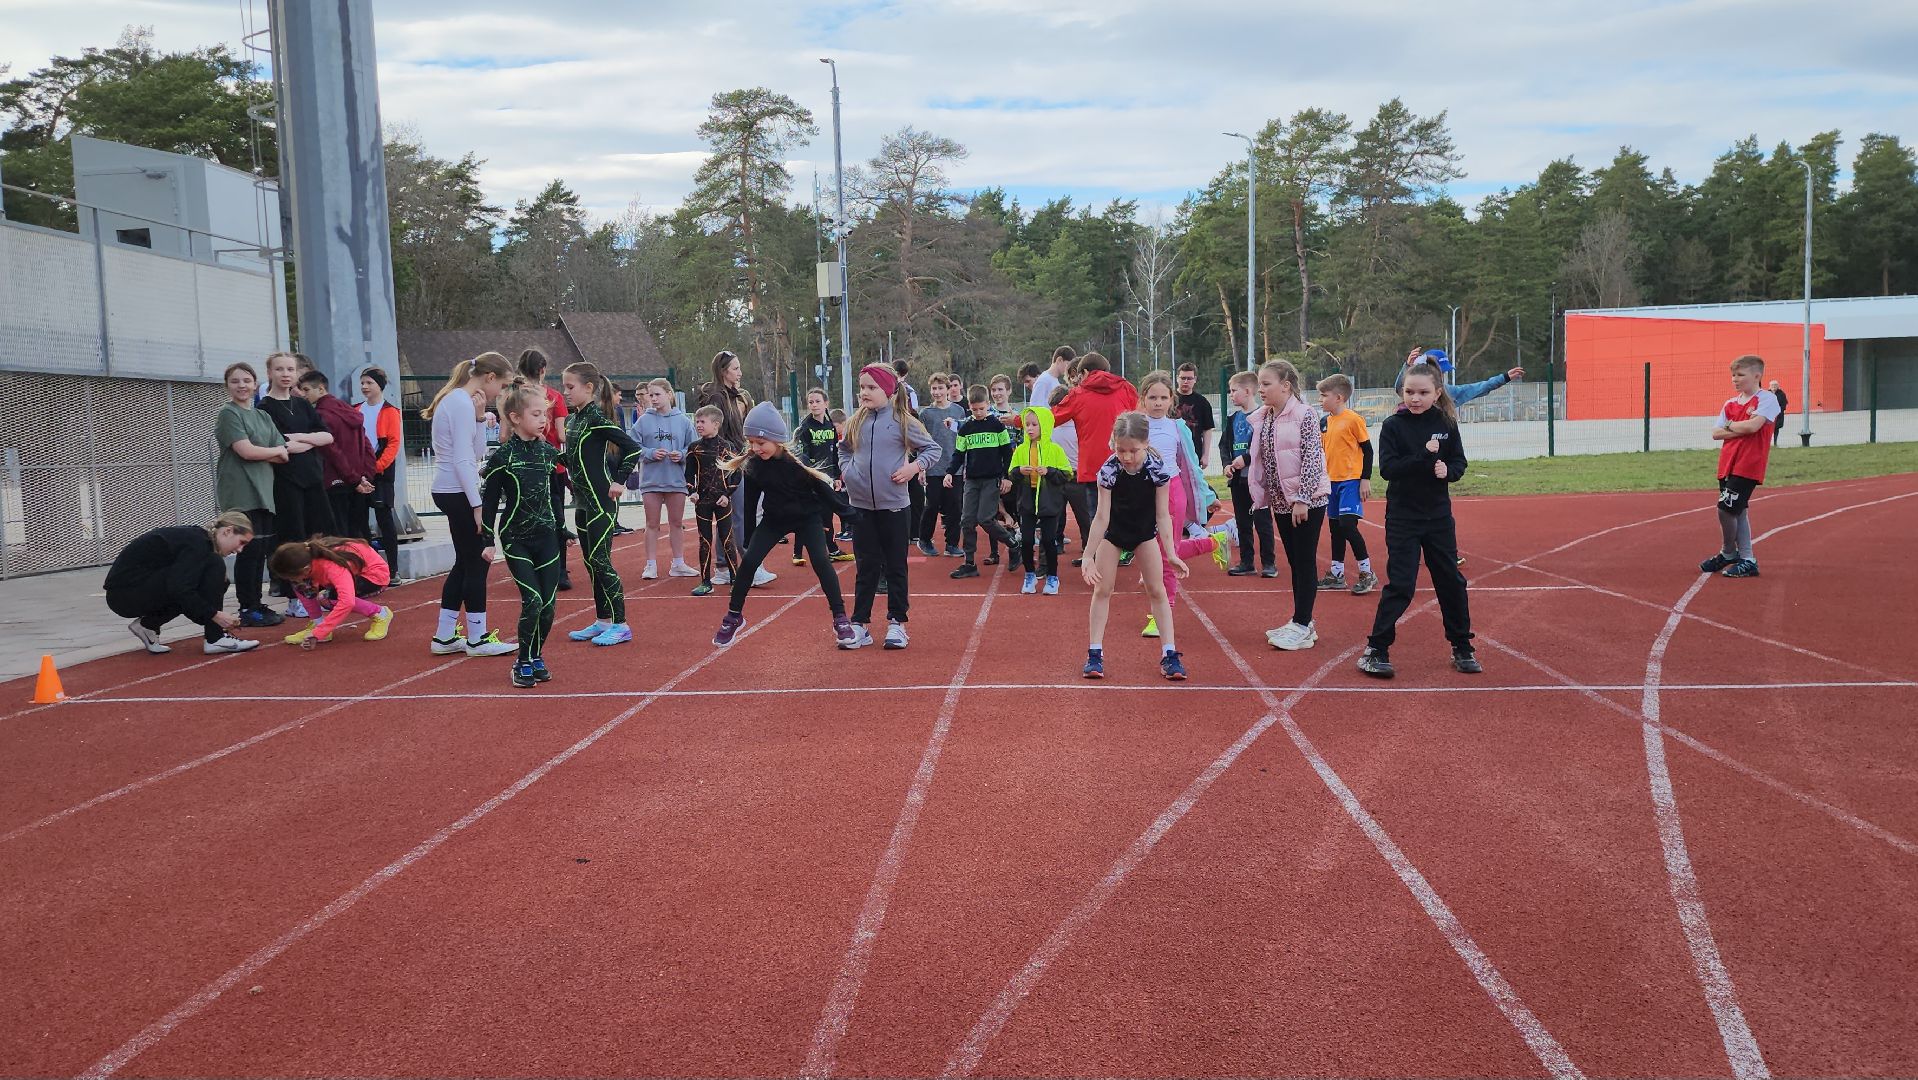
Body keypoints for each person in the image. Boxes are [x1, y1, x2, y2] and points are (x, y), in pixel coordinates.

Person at [1358, 364, 1477, 678]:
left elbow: (1458, 461)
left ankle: (1462, 646)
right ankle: (1376, 649)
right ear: (1402, 392)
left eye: (1423, 392)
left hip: (1438, 517)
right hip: (1403, 518)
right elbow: (1389, 469)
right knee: (1401, 584)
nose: (1415, 398)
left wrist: (1448, 472)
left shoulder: (1446, 423)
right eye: (1410, 392)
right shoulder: (1394, 426)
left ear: (1437, 393)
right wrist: (1424, 457)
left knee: (1451, 581)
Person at [711, 402, 855, 649]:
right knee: (748, 564)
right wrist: (747, 539)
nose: (755, 448)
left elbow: (824, 491)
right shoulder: (754, 465)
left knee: (822, 563)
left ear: (776, 440)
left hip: (807, 517)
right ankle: (733, 616)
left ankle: (840, 617)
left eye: (760, 443)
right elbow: (750, 502)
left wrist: (850, 514)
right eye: (751, 443)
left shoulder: (797, 463)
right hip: (774, 519)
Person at [838, 363, 940, 649]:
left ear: (887, 390)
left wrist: (913, 468)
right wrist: (848, 473)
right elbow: (843, 449)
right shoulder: (855, 421)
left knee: (895, 566)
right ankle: (859, 624)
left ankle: (897, 623)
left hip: (895, 506)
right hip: (861, 507)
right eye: (862, 388)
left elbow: (933, 449)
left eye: (871, 388)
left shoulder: (902, 421)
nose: (864, 393)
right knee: (866, 566)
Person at [1081, 412, 1188, 681]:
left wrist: (1171, 553)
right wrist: (1087, 556)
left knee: (1157, 590)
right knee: (1102, 589)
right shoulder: (1108, 470)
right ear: (1114, 444)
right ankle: (1095, 653)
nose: (1127, 456)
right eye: (1121, 450)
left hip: (1144, 533)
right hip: (1114, 533)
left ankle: (1169, 654)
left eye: (1133, 450)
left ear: (1146, 442)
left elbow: (1163, 515)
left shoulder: (1157, 469)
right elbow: (1101, 516)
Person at [425, 352, 517, 657]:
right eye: (501, 386)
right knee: (478, 560)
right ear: (489, 378)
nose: (500, 394)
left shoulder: (463, 403)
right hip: (456, 490)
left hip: (452, 488)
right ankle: (477, 638)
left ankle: (444, 635)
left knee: (465, 562)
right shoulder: (459, 402)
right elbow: (464, 460)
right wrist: (477, 505)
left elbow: (475, 451)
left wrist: (480, 420)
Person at [1245, 360, 1331, 652]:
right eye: (1259, 384)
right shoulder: (1265, 417)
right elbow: (1264, 455)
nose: (1261, 390)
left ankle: (1303, 624)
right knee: (1295, 561)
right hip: (1281, 502)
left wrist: (1303, 499)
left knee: (1304, 560)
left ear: (1286, 385)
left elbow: (1312, 457)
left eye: (1266, 384)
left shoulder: (1305, 414)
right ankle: (1301, 620)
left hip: (1306, 501)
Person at [480, 382, 563, 686]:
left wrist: (563, 528)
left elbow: (555, 495)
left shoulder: (548, 453)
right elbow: (489, 502)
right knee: (533, 601)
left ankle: (535, 654)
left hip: (548, 537)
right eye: (537, 414)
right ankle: (521, 661)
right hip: (516, 538)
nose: (544, 420)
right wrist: (487, 540)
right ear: (515, 418)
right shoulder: (503, 457)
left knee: (549, 604)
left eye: (546, 414)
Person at [1137, 370, 1230, 637]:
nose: (1157, 402)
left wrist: (1208, 496)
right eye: (1152, 397)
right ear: (1143, 398)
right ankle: (1213, 541)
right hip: (1141, 495)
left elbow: (1190, 465)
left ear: (1171, 400)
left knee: (1166, 555)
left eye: (1163, 397)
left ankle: (1161, 614)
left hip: (1171, 492)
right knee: (1151, 550)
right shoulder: (1135, 423)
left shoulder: (1177, 427)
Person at [562, 361, 644, 646]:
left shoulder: (596, 418)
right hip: (582, 503)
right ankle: (603, 620)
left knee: (600, 561)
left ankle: (621, 624)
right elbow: (572, 460)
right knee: (590, 563)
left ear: (589, 388)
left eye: (570, 387)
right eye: (564, 387)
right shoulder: (572, 421)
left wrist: (620, 480)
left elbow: (633, 448)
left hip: (602, 503)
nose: (566, 393)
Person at [106, 511, 259, 655]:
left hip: (131, 589)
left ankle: (148, 625)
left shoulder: (199, 541)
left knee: (213, 576)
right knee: (212, 567)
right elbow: (179, 588)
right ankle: (215, 638)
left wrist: (209, 614)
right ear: (228, 531)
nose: (240, 550)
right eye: (241, 542)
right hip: (123, 594)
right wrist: (214, 615)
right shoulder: (198, 544)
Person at [215, 361, 289, 627]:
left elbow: (283, 451)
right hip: (240, 493)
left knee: (261, 551)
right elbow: (246, 451)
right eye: (235, 381)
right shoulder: (229, 414)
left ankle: (256, 603)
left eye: (246, 381)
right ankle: (247, 607)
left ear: (256, 385)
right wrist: (272, 451)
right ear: (227, 386)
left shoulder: (262, 416)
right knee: (248, 550)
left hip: (263, 492)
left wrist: (273, 451)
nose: (242, 386)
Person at [697, 350, 773, 585]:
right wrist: (736, 453)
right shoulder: (717, 398)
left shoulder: (733, 396)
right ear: (723, 371)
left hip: (734, 458)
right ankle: (751, 566)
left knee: (727, 514)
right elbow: (715, 432)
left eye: (740, 368)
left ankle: (722, 566)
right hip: (726, 461)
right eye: (735, 369)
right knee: (741, 514)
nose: (740, 373)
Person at [1703, 355, 1782, 580]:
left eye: (1740, 375)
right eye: (1733, 375)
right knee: (1739, 510)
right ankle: (1747, 559)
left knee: (1725, 509)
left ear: (1757, 376)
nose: (1735, 379)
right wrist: (1737, 426)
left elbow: (1753, 426)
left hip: (1749, 464)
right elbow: (1715, 433)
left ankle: (1729, 552)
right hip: (1728, 463)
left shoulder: (1766, 399)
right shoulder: (1730, 404)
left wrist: (1730, 426)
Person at [255, 352, 337, 569]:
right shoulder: (264, 408)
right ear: (269, 373)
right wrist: (311, 440)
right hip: (286, 481)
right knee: (293, 538)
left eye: (290, 369)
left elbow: (327, 436)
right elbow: (280, 445)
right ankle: (294, 595)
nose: (285, 374)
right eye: (279, 369)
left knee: (322, 533)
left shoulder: (302, 405)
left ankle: (323, 583)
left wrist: (302, 437)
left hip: (313, 478)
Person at [1047, 353, 1139, 513]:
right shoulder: (1126, 388)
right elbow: (1142, 419)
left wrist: (1017, 420)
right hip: (1125, 464)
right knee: (1127, 521)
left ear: (1085, 373)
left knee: (1098, 523)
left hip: (1093, 471)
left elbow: (1048, 419)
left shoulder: (1078, 394)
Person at [267, 535, 394, 649]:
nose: (290, 581)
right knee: (301, 585)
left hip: (374, 576)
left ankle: (381, 613)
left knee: (329, 598)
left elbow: (347, 602)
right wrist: (319, 626)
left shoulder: (332, 567)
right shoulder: (304, 560)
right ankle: (318, 623)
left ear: (305, 569)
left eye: (290, 577)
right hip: (346, 574)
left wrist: (318, 633)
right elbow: (305, 591)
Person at [628, 377, 698, 581]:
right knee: (652, 523)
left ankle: (678, 562)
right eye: (651, 395)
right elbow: (632, 447)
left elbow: (694, 448)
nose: (654, 399)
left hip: (676, 479)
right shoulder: (643, 420)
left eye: (657, 394)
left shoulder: (683, 421)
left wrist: (682, 454)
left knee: (676, 522)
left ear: (669, 395)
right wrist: (649, 453)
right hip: (651, 480)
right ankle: (650, 564)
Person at [1315, 374, 1377, 596]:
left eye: (1324, 395)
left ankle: (1366, 572)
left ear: (1339, 397)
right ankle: (1337, 573)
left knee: (1348, 526)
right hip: (1331, 482)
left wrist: (1365, 479)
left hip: (1350, 480)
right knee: (1335, 529)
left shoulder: (1353, 420)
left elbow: (1368, 450)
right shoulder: (1325, 422)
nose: (1320, 400)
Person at [297, 369, 377, 543]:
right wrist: (366, 476)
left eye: (306, 390)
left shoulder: (321, 415)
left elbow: (332, 451)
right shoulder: (348, 410)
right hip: (358, 482)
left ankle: (348, 570)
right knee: (359, 534)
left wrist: (354, 479)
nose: (303, 394)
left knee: (339, 537)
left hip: (336, 483)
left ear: (320, 389)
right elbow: (366, 444)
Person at [949, 384, 1018, 579]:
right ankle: (969, 563)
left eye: (982, 408)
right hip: (971, 480)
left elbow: (1007, 453)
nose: (978, 413)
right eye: (974, 409)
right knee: (967, 520)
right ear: (969, 406)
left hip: (992, 479)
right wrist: (949, 472)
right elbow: (958, 454)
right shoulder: (965, 429)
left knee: (985, 518)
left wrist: (1006, 477)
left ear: (988, 405)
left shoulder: (997, 425)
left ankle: (1013, 544)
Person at [518, 348, 573, 592]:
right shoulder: (554, 396)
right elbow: (561, 435)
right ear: (543, 370)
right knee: (556, 516)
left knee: (526, 515)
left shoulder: (515, 396)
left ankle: (531, 568)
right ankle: (560, 571)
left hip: (523, 464)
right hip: (552, 464)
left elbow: (504, 434)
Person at [1010, 405, 1073, 595]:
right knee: (1027, 541)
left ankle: (1052, 577)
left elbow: (1067, 473)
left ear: (1044, 426)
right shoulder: (1021, 449)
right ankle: (1029, 574)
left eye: (1034, 425)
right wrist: (1019, 471)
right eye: (1027, 425)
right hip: (1027, 499)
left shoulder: (1055, 450)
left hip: (1048, 500)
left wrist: (1050, 471)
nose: (1029, 428)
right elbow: (1012, 473)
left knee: (1048, 540)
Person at [1221, 371, 1277, 578]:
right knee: (1242, 522)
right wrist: (1227, 464)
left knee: (1262, 522)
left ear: (1248, 391)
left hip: (1258, 480)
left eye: (1234, 391)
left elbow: (1265, 445)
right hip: (1238, 480)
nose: (1231, 395)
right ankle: (1247, 561)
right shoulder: (1233, 418)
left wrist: (1246, 458)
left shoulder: (1264, 415)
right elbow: (1224, 445)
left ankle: (1269, 563)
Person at [684, 405, 741, 597]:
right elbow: (688, 474)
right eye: (697, 421)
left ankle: (735, 579)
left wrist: (727, 494)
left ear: (715, 424)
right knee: (704, 541)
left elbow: (736, 473)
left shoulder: (727, 447)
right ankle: (705, 582)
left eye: (703, 422)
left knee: (727, 539)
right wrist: (692, 491)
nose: (698, 425)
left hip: (722, 500)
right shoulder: (694, 448)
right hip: (703, 502)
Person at [794, 387, 855, 565]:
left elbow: (835, 453)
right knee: (807, 513)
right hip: (811, 478)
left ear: (826, 403)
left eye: (817, 401)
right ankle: (798, 552)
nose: (814, 405)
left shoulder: (830, 425)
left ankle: (832, 549)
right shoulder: (805, 428)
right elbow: (801, 454)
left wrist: (837, 475)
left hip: (828, 477)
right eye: (811, 402)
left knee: (827, 514)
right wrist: (810, 473)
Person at [357, 367, 405, 572]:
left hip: (380, 474)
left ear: (380, 386)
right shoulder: (356, 409)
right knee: (359, 521)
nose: (364, 387)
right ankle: (369, 568)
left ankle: (392, 569)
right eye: (362, 383)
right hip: (358, 474)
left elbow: (393, 444)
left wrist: (375, 468)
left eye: (369, 383)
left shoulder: (390, 412)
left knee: (384, 519)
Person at [916, 373, 965, 557]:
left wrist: (964, 464)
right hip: (933, 467)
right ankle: (924, 539)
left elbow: (963, 438)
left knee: (955, 507)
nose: (937, 392)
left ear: (948, 389)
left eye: (940, 388)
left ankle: (952, 544)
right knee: (932, 505)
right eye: (934, 389)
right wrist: (921, 467)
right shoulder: (926, 414)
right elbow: (921, 441)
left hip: (955, 467)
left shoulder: (959, 411)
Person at [1046, 385, 1092, 566]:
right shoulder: (1050, 427)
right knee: (1055, 513)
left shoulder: (1078, 424)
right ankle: (1056, 542)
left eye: (1058, 408)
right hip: (1056, 475)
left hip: (1076, 475)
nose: (1056, 412)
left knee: (1083, 515)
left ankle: (1089, 548)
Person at [1395, 347, 1523, 407]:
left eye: (1444, 373)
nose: (1441, 376)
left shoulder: (1450, 392)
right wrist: (1407, 366)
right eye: (1440, 371)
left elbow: (1480, 387)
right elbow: (1400, 387)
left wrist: (1504, 377)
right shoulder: (1411, 396)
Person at [1174, 362, 1216, 467]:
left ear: (1195, 379)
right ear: (1177, 378)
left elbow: (1207, 430)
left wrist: (1205, 455)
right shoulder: (1168, 399)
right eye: (1183, 378)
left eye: (1189, 378)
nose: (1186, 381)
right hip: (1173, 451)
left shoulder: (1202, 402)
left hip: (1194, 453)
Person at [1030, 346, 1073, 417]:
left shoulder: (1055, 381)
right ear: (1059, 360)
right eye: (1067, 364)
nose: (1069, 369)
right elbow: (1035, 408)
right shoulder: (1043, 380)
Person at [1769, 379, 1789, 447]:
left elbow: (1784, 404)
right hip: (1769, 415)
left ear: (1778, 386)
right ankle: (1768, 443)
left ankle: (1775, 442)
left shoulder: (1781, 394)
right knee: (1768, 429)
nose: (1773, 386)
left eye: (1775, 385)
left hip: (1778, 414)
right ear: (1770, 386)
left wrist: (1779, 411)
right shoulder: (1767, 393)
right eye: (1772, 385)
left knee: (1776, 428)